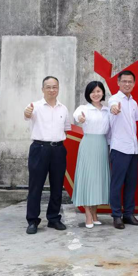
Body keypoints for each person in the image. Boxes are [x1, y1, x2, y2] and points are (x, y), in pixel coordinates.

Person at [23, 76, 71, 235]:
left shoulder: (63, 108)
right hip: (39, 148)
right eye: (48, 87)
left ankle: (54, 218)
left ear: (58, 88)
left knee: (57, 185)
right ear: (43, 89)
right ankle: (32, 220)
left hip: (58, 149)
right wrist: (27, 112)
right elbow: (27, 115)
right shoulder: (34, 106)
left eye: (55, 87)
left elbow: (66, 128)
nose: (52, 90)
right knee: (36, 186)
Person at [72, 81, 111, 229]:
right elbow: (77, 116)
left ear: (102, 93)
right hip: (88, 144)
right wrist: (80, 119)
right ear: (88, 94)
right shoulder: (84, 108)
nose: (96, 94)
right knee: (88, 179)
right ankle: (88, 214)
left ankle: (95, 213)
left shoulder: (107, 110)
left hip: (102, 145)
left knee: (98, 180)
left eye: (98, 91)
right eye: (93, 91)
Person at [108, 70, 138, 229]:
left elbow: (133, 124)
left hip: (133, 149)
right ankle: (116, 215)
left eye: (130, 82)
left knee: (131, 183)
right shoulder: (114, 100)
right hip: (119, 148)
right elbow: (113, 108)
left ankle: (129, 214)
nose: (127, 84)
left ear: (134, 84)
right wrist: (115, 109)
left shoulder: (134, 103)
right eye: (124, 81)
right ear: (118, 82)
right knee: (117, 184)